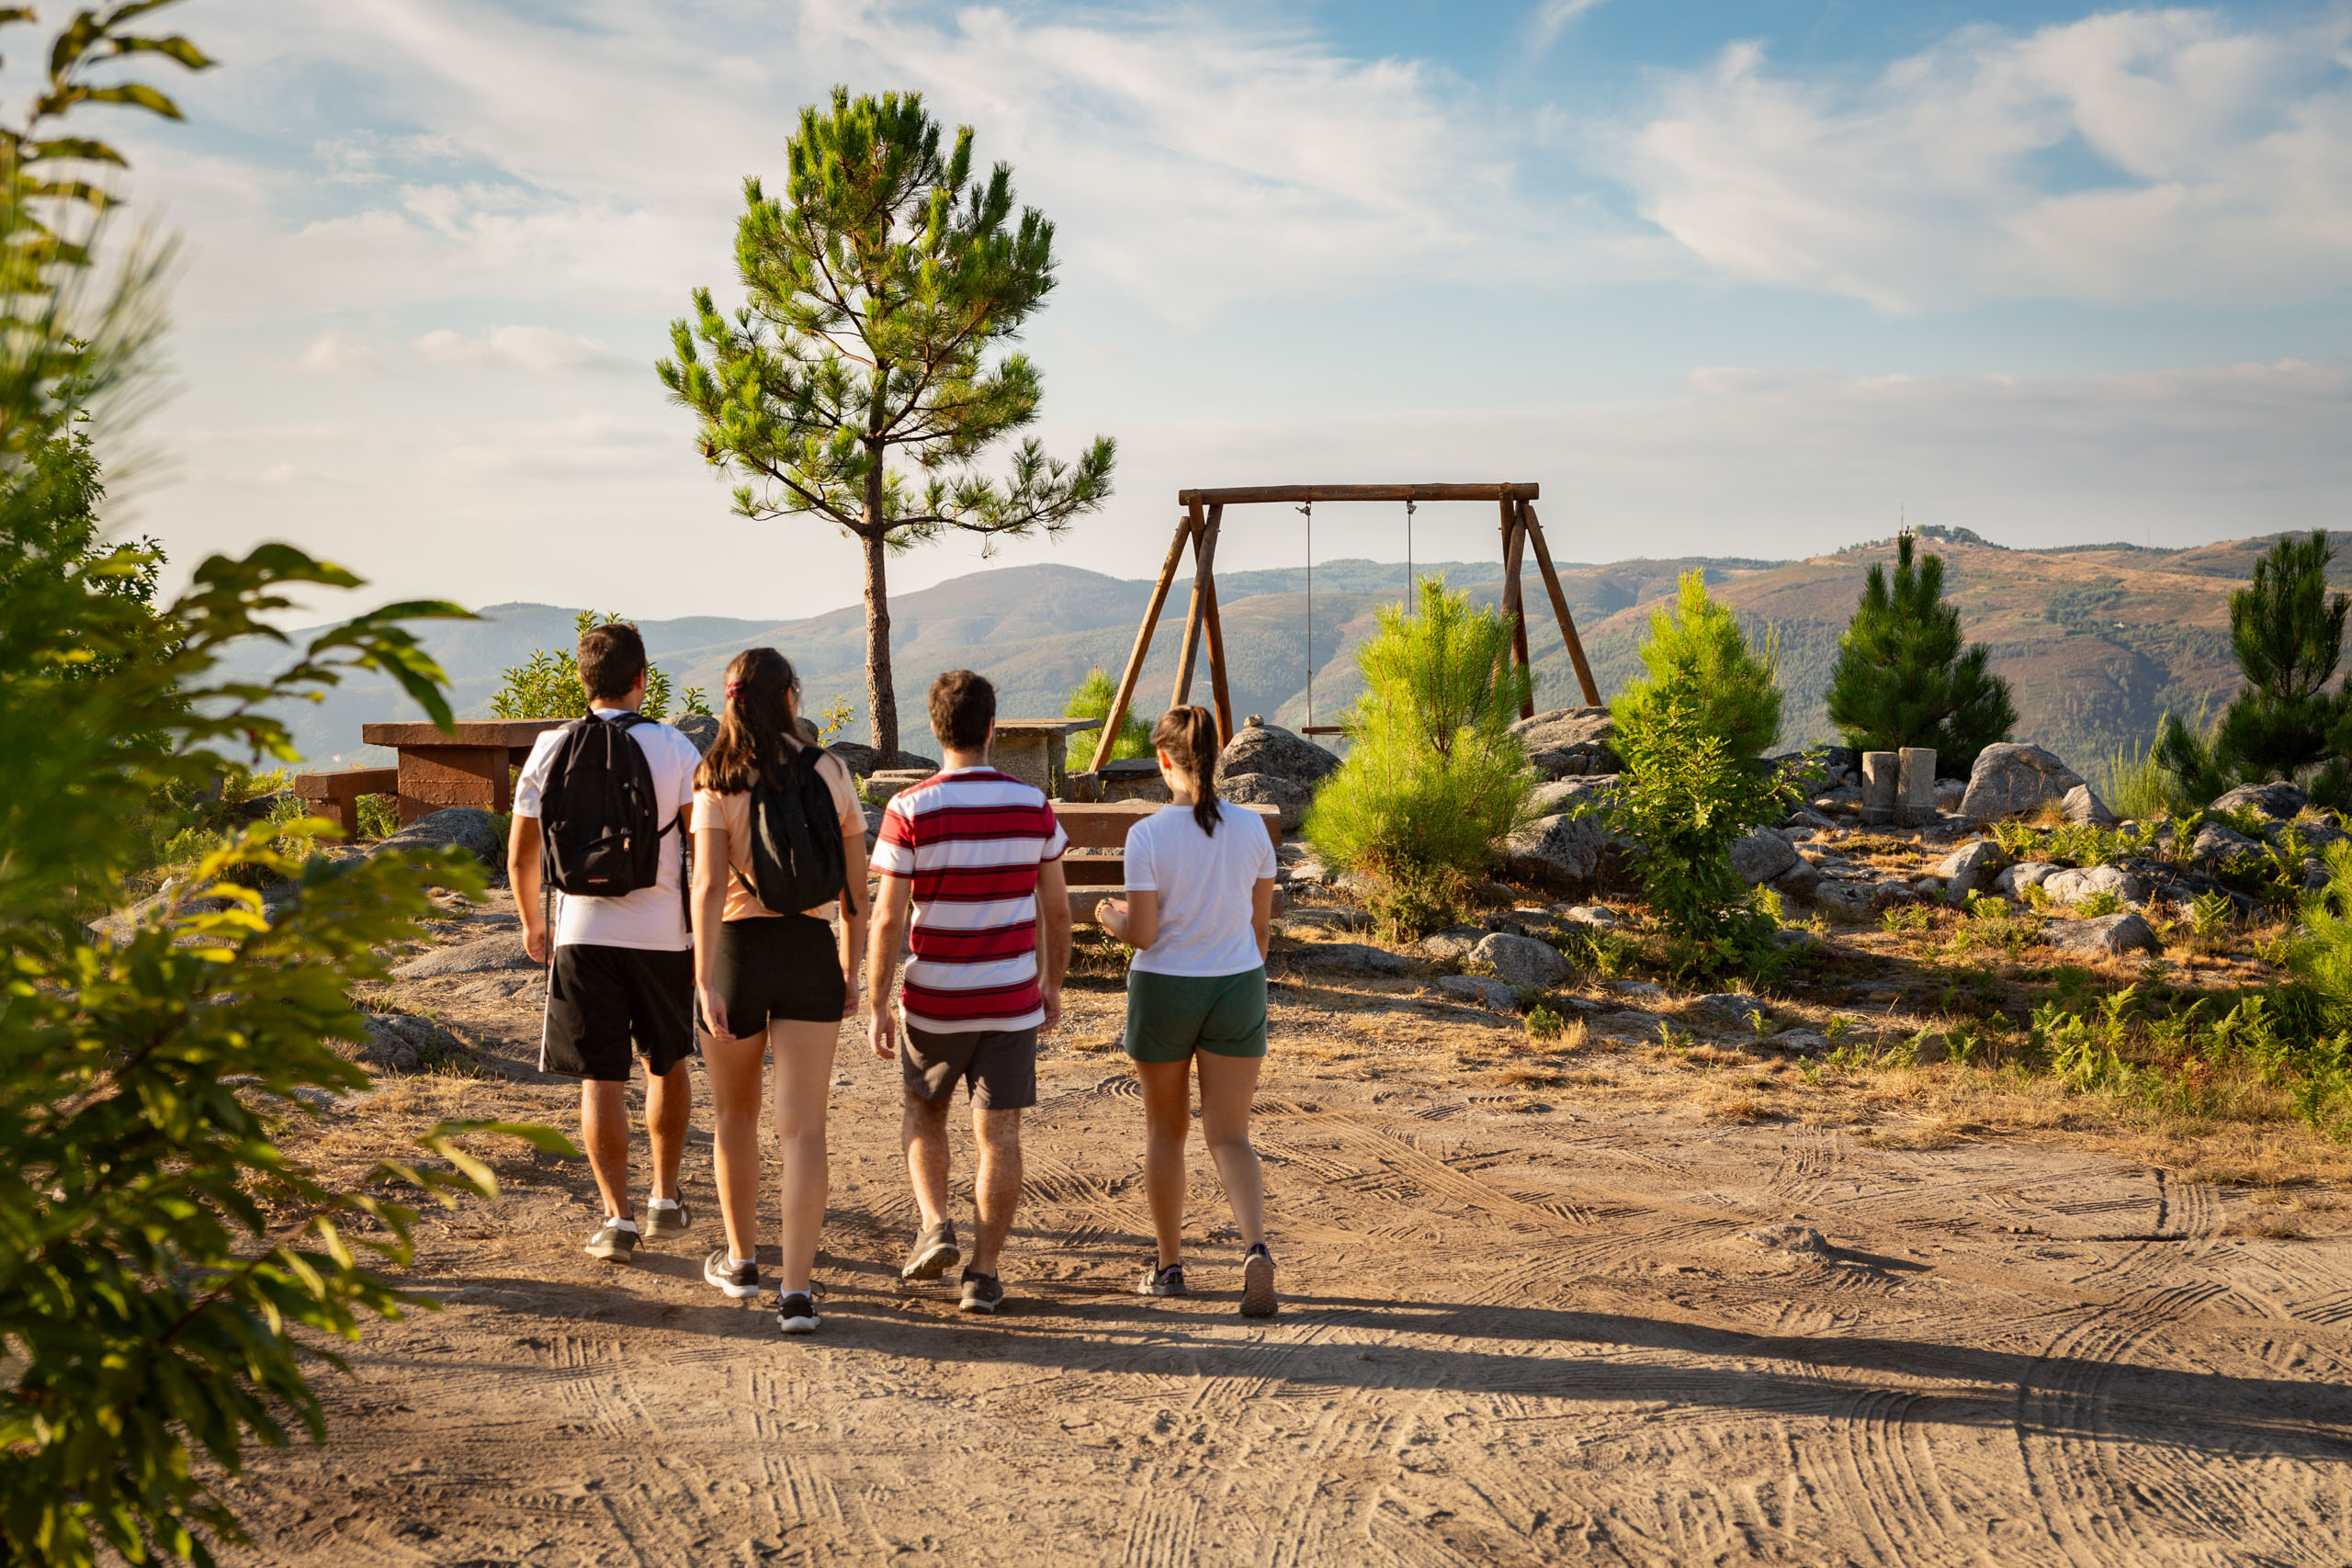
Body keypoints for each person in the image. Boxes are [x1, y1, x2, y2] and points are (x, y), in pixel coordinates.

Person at [866, 669, 1070, 1314]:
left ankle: (933, 1223)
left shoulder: (908, 809)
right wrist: (1052, 983)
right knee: (1000, 1135)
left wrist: (875, 1000)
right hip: (1010, 998)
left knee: (925, 1113)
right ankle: (983, 1273)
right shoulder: (1032, 805)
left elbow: (888, 917)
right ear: (990, 727)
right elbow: (1058, 911)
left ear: (934, 729)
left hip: (933, 997)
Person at [509, 621, 704, 1265]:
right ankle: (666, 1197)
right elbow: (703, 845)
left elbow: (520, 856)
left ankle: (616, 1218)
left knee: (600, 1077)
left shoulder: (550, 746)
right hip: (662, 934)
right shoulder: (676, 747)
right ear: (642, 679)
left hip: (582, 932)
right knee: (666, 1059)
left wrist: (534, 924)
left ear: (583, 681)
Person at [689, 649, 868, 1335]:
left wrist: (703, 976)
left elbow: (706, 887)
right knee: (804, 1128)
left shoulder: (716, 776)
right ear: (791, 696)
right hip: (807, 951)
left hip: (737, 952)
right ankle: (798, 1293)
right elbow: (855, 891)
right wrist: (851, 972)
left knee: (735, 1118)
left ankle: (740, 1261)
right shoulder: (829, 770)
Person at [1097, 705, 1280, 1317]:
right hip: (1237, 986)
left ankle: (1169, 1266)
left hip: (1165, 990)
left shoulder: (1147, 834)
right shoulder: (1253, 829)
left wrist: (1107, 916)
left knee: (1165, 1132)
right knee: (1230, 1134)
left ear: (1165, 760)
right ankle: (1255, 1246)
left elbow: (1144, 933)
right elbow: (1259, 932)